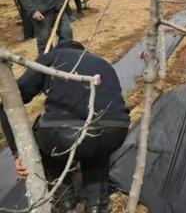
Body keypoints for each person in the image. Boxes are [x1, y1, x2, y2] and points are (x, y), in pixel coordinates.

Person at [0, 41, 130, 213]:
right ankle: (96, 205)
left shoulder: (52, 57)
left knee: (48, 140)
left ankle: (65, 205)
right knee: (97, 150)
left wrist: (19, 153)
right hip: (115, 130)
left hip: (62, 134)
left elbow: (12, 99)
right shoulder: (102, 62)